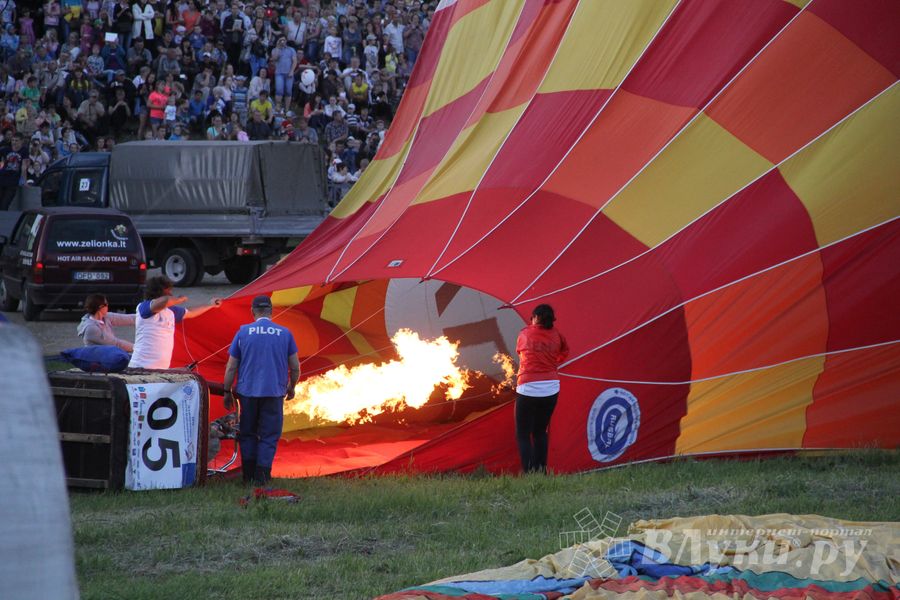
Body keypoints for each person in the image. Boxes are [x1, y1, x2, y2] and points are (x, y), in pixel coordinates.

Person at [222, 295, 300, 485]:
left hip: (247, 393)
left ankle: (248, 475)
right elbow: (295, 367)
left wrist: (226, 391)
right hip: (274, 393)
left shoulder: (243, 332)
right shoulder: (285, 333)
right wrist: (292, 387)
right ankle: (263, 477)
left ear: (252, 311)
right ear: (272, 311)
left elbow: (231, 367)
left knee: (247, 433)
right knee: (269, 435)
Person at [515, 304, 569, 474]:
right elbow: (565, 352)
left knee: (523, 434)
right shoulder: (557, 335)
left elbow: (520, 352)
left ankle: (529, 471)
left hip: (527, 388)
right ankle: (541, 470)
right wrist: (552, 363)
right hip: (551, 389)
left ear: (536, 317)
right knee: (540, 431)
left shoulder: (524, 334)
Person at [128, 275, 222, 369]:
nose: (171, 294)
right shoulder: (144, 307)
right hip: (140, 367)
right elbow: (165, 301)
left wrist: (210, 305)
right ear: (159, 292)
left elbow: (191, 312)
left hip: (161, 370)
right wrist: (180, 300)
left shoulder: (171, 311)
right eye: (168, 291)